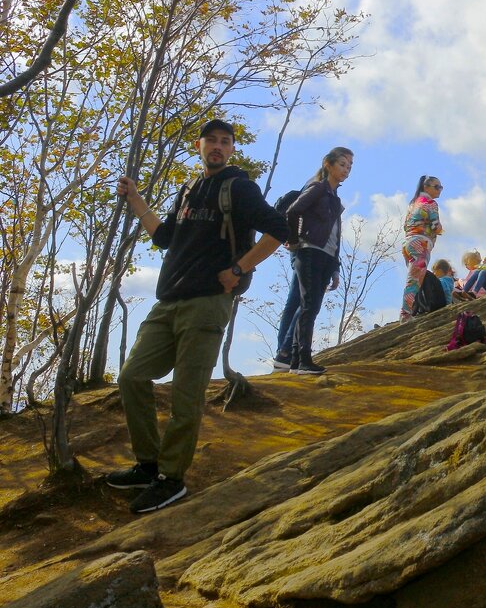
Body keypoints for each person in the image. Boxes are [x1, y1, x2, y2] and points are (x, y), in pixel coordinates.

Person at [106, 119, 288, 513]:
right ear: (199, 145)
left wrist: (239, 269)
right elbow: (164, 237)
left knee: (186, 396)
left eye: (225, 142)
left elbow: (279, 228)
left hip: (208, 302)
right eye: (212, 141)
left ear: (232, 150)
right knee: (132, 376)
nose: (218, 147)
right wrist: (136, 199)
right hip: (168, 300)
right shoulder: (189, 189)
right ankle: (148, 465)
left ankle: (171, 480)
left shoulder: (239, 186)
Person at [283, 147, 352, 376]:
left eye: (350, 166)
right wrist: (294, 241)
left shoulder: (335, 198)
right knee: (309, 305)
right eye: (342, 164)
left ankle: (295, 361)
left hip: (326, 255)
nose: (346, 169)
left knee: (312, 305)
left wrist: (335, 268)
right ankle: (303, 359)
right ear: (328, 164)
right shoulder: (318, 188)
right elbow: (293, 211)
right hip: (309, 251)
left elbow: (336, 235)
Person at [400, 175, 443, 323]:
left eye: (440, 187)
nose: (440, 190)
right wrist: (439, 230)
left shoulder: (413, 204)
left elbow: (405, 225)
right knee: (414, 281)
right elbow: (435, 226)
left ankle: (412, 310)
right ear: (426, 187)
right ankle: (405, 315)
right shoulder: (431, 203)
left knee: (416, 280)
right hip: (421, 244)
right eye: (436, 187)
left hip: (407, 243)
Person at [271, 274, 301, 370]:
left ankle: (284, 354)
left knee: (294, 305)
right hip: (310, 262)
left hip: (302, 261)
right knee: (306, 303)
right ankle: (285, 354)